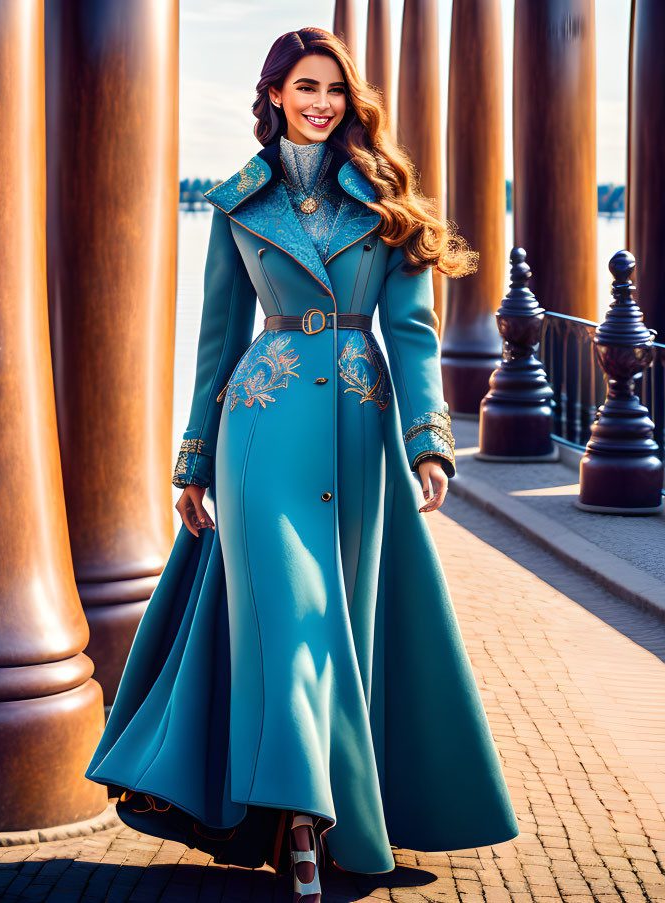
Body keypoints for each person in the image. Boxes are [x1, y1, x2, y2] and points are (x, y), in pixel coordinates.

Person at [84, 26, 519, 903]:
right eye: (303, 87)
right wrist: (193, 460)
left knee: (338, 629)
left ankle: (317, 814)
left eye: (333, 89)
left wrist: (429, 437)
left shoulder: (384, 198)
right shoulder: (237, 203)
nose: (319, 102)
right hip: (261, 428)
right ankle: (303, 827)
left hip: (360, 429)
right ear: (274, 95)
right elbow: (215, 340)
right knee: (288, 623)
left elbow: (412, 329)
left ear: (347, 100)